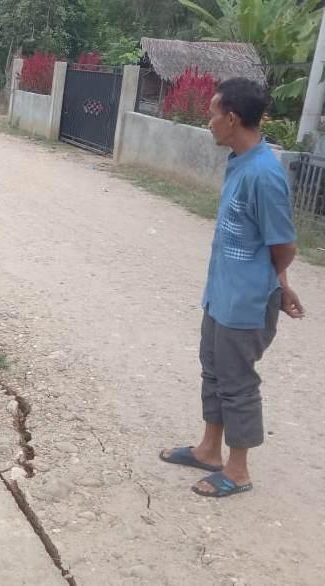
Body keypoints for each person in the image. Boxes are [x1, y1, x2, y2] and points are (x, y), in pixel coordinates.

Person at [160, 77, 305, 498]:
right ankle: (209, 449)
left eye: (211, 114)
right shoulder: (239, 162)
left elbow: (285, 244)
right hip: (221, 294)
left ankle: (238, 470)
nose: (208, 122)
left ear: (232, 118)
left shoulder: (264, 174)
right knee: (213, 370)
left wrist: (277, 283)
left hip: (245, 302)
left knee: (237, 381)